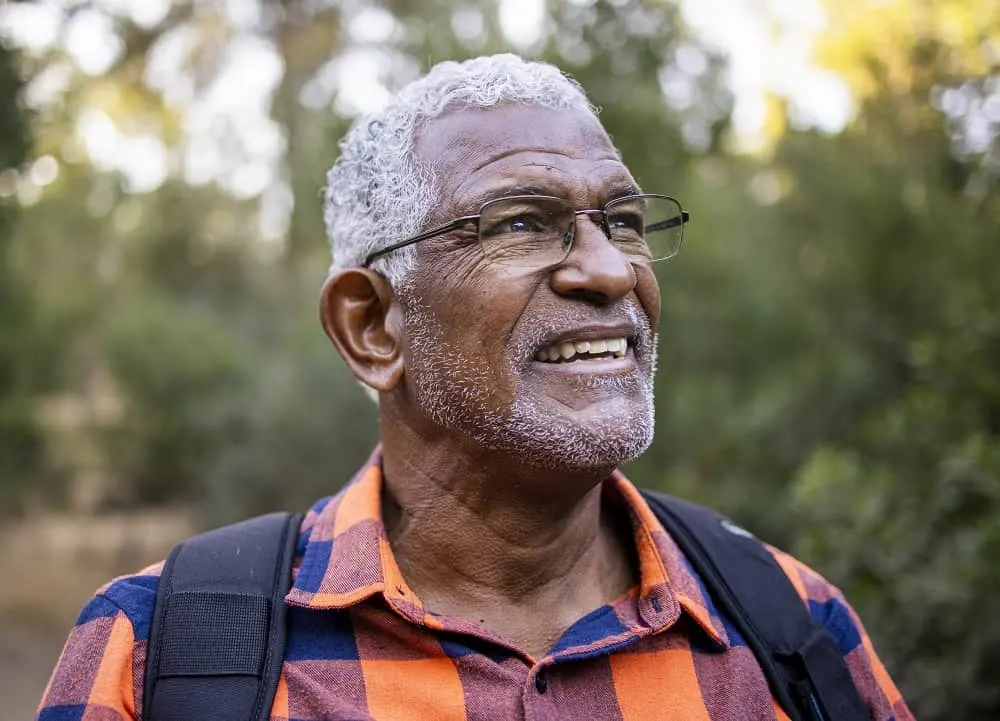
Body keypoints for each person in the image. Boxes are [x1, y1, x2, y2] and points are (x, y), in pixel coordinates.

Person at [38, 54, 912, 721]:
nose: (610, 270)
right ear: (373, 327)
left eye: (623, 221)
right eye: (524, 222)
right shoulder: (157, 653)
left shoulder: (792, 627)